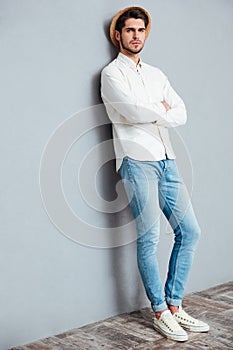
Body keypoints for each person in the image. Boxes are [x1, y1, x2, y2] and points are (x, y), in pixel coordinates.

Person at [101, 6, 209, 342]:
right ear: (118, 35)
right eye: (129, 30)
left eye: (140, 30)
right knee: (149, 238)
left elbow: (182, 112)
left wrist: (153, 113)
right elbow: (130, 112)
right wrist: (159, 110)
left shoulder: (157, 74)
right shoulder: (111, 74)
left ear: (146, 34)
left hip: (167, 159)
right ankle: (160, 311)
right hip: (136, 160)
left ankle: (175, 305)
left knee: (189, 232)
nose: (135, 36)